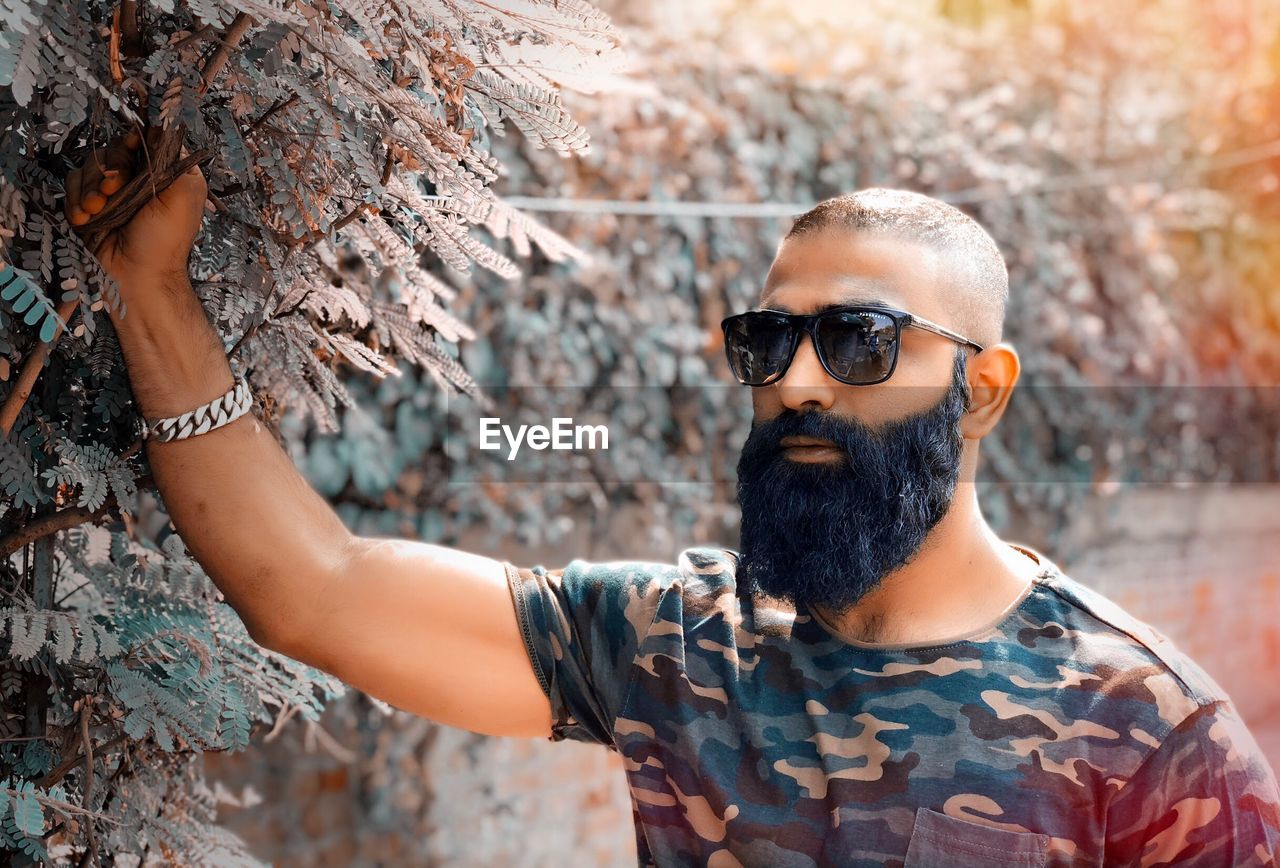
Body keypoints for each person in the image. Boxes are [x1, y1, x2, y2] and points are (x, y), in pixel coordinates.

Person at [64, 131, 1280, 867]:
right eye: (767, 339)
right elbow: (313, 591)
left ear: (982, 386)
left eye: (859, 339)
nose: (796, 380)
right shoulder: (679, 643)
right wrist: (149, 286)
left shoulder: (1148, 730)